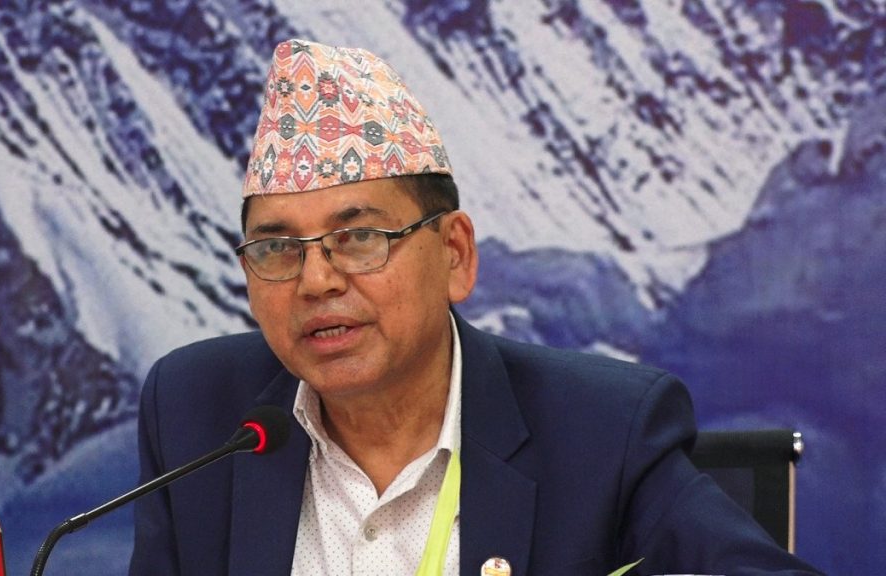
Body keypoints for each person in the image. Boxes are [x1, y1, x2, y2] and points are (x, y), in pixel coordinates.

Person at [129, 39, 823, 576]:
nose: (316, 280)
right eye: (278, 248)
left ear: (455, 255)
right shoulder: (197, 414)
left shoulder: (601, 432)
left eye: (359, 238)